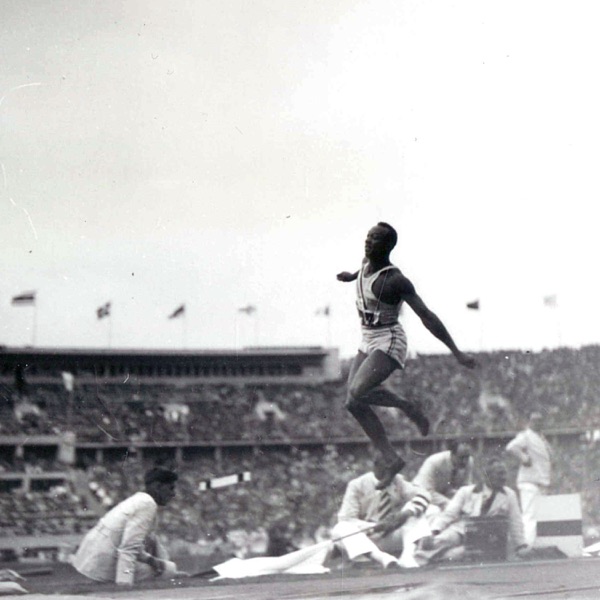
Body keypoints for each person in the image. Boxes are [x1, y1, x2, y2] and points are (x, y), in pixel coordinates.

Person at [337, 222, 477, 488]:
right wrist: (351, 277)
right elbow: (363, 272)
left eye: (375, 239)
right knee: (352, 403)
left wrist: (456, 351)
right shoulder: (366, 263)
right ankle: (391, 459)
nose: (368, 242)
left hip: (389, 340)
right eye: (368, 236)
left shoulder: (395, 281)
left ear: (387, 246)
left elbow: (426, 315)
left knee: (357, 392)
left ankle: (408, 406)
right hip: (367, 338)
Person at [71, 466, 188, 586]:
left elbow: (133, 546)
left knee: (164, 565)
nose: (173, 494)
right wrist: (124, 584)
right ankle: (173, 575)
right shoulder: (147, 504)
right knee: (168, 568)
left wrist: (152, 561)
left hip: (92, 558)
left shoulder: (138, 499)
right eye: (171, 488)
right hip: (102, 561)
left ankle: (173, 573)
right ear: (157, 487)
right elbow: (128, 548)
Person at [415, 457, 528, 565]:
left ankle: (433, 560)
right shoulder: (466, 491)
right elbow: (449, 514)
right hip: (461, 530)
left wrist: (521, 546)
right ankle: (416, 560)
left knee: (460, 554)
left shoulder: (509, 495)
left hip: (486, 539)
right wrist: (434, 531)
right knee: (444, 539)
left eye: (504, 473)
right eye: (499, 473)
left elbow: (515, 521)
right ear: (487, 475)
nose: (504, 478)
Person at [331, 453, 431, 569]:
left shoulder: (397, 480)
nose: (390, 475)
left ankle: (407, 556)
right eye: (386, 470)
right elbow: (347, 519)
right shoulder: (357, 485)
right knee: (341, 527)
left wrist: (404, 514)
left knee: (416, 512)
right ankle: (383, 559)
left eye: (393, 471)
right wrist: (375, 526)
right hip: (366, 539)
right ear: (376, 467)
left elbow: (424, 495)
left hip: (389, 537)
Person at [505, 411, 552, 547]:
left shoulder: (540, 437)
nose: (538, 423)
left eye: (540, 420)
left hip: (539, 482)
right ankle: (526, 546)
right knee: (530, 515)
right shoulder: (525, 435)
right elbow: (511, 447)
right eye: (535, 420)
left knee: (537, 516)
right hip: (530, 482)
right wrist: (524, 458)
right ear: (530, 422)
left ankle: (533, 545)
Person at [412, 439, 474, 510]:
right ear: (452, 454)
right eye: (461, 457)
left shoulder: (469, 462)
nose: (465, 461)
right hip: (420, 495)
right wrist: (450, 504)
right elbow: (426, 492)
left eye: (467, 457)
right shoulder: (434, 462)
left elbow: (466, 487)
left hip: (442, 495)